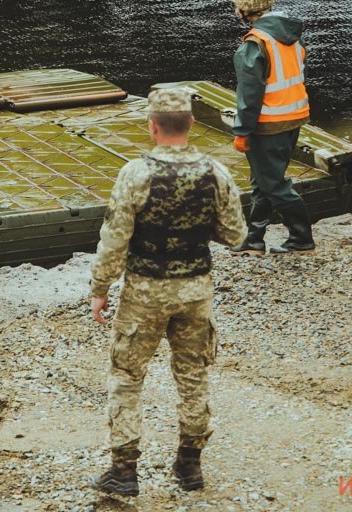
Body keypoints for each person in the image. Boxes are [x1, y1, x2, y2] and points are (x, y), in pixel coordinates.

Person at [89, 86, 247, 497]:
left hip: (144, 292)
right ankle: (190, 466)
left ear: (152, 126)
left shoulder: (135, 174)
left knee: (127, 377)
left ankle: (124, 471)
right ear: (191, 122)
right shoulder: (216, 173)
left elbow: (115, 239)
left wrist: (100, 288)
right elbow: (235, 235)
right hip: (195, 290)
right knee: (193, 376)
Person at [226, 0, 316, 253]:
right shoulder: (290, 36)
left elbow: (249, 96)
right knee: (263, 182)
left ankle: (301, 238)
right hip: (294, 116)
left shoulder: (255, 44)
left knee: (274, 185)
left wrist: (242, 131)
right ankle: (254, 238)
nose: (234, 10)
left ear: (244, 8)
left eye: (235, 5)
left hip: (268, 124)